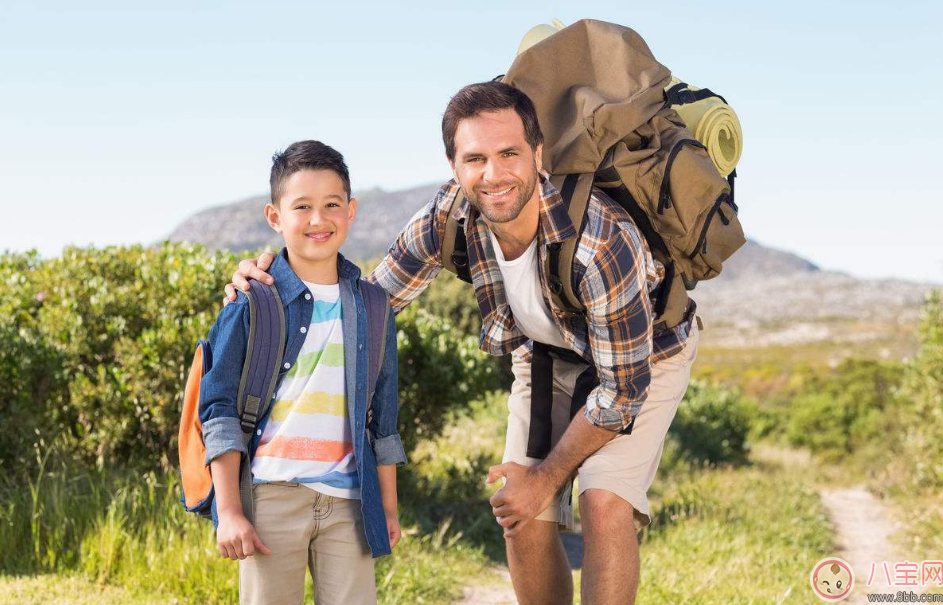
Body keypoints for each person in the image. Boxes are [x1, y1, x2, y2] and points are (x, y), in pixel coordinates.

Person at [225, 82, 698, 605]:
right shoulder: (447, 217)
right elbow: (367, 307)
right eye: (475, 158)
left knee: (603, 501)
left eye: (509, 154)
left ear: (538, 155)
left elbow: (622, 393)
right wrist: (271, 286)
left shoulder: (600, 240)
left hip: (643, 362)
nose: (492, 174)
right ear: (454, 166)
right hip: (544, 355)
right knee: (518, 511)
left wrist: (544, 477)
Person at [201, 140, 406, 605]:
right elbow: (219, 408)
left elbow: (384, 417)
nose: (319, 219)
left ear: (351, 211)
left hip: (350, 504)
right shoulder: (253, 299)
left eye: (332, 204)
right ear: (275, 217)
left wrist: (387, 508)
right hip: (271, 498)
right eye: (303, 207)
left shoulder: (374, 306)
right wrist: (230, 510)